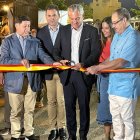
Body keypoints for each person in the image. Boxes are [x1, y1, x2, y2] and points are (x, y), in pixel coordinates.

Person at [0, 15, 60, 140]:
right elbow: (3, 60)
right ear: (17, 26)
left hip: (32, 80)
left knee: (30, 109)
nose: (28, 28)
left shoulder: (35, 41)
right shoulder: (7, 41)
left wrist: (52, 63)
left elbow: (43, 55)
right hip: (14, 81)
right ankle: (15, 135)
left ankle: (29, 133)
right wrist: (19, 61)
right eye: (25, 26)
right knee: (15, 111)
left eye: (29, 26)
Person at [87, 8, 140, 140]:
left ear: (125, 20)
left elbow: (120, 61)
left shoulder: (134, 36)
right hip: (113, 85)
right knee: (115, 118)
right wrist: (98, 67)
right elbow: (111, 57)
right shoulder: (116, 35)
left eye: (115, 22)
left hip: (126, 86)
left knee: (127, 120)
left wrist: (98, 67)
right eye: (113, 23)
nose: (113, 26)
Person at [53, 4, 101, 140]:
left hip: (83, 74)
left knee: (84, 107)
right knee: (69, 107)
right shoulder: (63, 31)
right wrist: (60, 60)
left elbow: (96, 52)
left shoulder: (91, 31)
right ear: (69, 17)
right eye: (72, 19)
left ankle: (83, 136)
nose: (74, 22)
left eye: (77, 18)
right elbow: (56, 51)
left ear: (82, 16)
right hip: (67, 75)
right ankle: (72, 135)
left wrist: (83, 64)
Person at [37, 4, 67, 140]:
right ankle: (52, 128)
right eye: (49, 15)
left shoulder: (66, 30)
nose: (52, 18)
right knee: (51, 101)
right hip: (48, 72)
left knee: (61, 101)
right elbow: (40, 52)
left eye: (54, 15)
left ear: (58, 15)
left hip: (62, 72)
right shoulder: (41, 32)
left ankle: (62, 127)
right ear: (46, 17)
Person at [96, 17, 114, 140]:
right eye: (102, 28)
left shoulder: (117, 41)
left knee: (115, 108)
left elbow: (114, 58)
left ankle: (116, 135)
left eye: (107, 28)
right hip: (102, 78)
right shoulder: (102, 41)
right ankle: (106, 136)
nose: (104, 30)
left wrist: (100, 66)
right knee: (104, 108)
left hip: (113, 78)